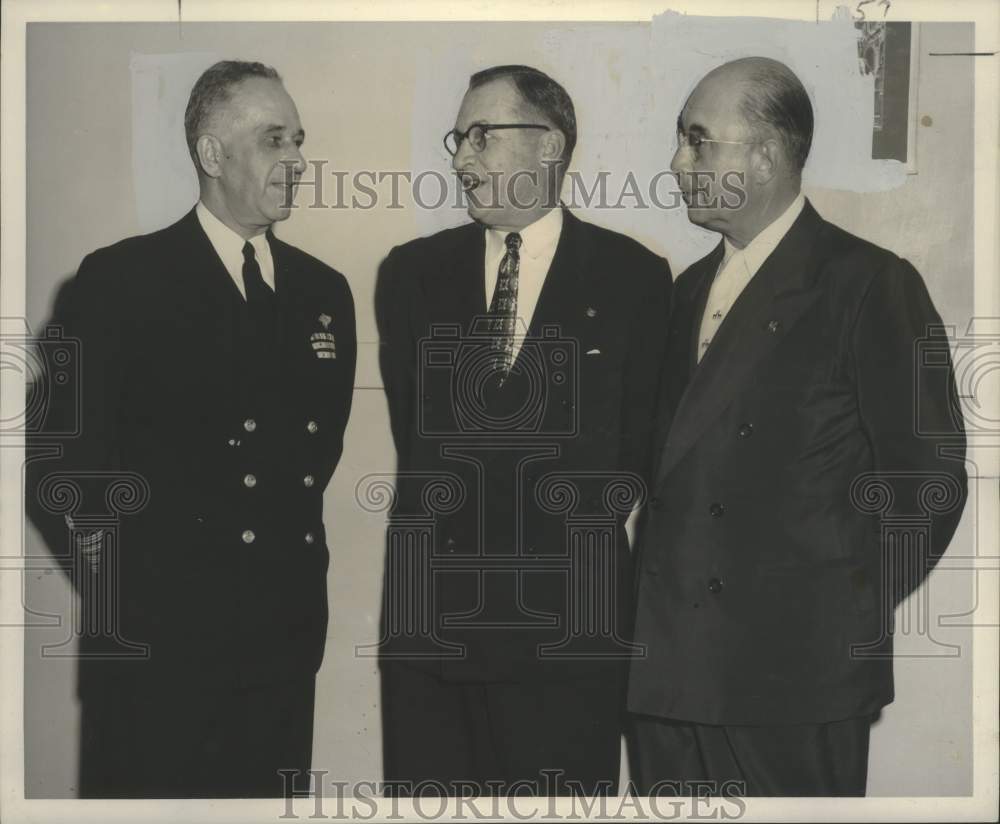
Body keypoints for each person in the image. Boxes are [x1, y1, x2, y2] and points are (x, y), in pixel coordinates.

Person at [627, 57, 967, 797]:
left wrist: (832, 615)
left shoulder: (869, 283)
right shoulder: (682, 293)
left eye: (697, 140)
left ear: (767, 155)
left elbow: (929, 485)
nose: (677, 162)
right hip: (670, 685)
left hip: (793, 684)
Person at [25, 60, 356, 798]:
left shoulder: (321, 292)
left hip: (281, 642)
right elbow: (59, 470)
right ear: (211, 155)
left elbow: (315, 453)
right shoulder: (122, 281)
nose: (298, 160)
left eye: (298, 140)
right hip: (158, 654)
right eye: (274, 140)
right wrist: (132, 594)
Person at [375, 64, 672, 796]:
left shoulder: (635, 277)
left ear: (549, 145)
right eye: (458, 138)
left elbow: (637, 452)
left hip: (569, 643)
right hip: (432, 637)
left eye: (482, 136)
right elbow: (418, 437)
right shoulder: (410, 274)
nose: (460, 158)